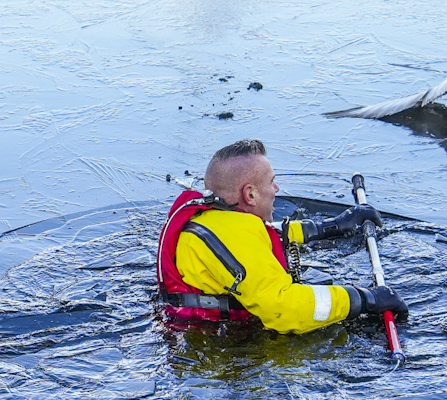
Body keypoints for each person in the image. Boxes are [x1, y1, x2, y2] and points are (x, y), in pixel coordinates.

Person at [158, 139, 410, 333]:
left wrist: (331, 227)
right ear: (251, 195)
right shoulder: (234, 234)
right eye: (272, 182)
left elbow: (265, 237)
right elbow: (283, 308)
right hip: (214, 337)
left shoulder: (212, 217)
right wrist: (364, 298)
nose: (276, 189)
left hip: (188, 323)